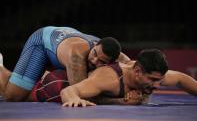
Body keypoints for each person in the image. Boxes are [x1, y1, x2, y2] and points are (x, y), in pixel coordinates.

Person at [27, 49, 197, 106]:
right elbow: (69, 90)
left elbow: (182, 79)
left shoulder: (153, 74)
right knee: (11, 92)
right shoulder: (110, 78)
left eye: (159, 80)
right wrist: (75, 101)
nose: (157, 85)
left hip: (88, 87)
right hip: (55, 87)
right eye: (153, 80)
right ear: (137, 71)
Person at [0, 26, 130, 101]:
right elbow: (79, 94)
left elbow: (138, 67)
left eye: (101, 62)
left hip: (64, 38)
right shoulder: (76, 56)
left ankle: (18, 78)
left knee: (22, 86)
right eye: (94, 54)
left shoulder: (121, 58)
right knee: (13, 96)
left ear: (113, 61)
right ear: (95, 45)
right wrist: (120, 101)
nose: (94, 61)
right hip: (42, 42)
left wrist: (138, 91)